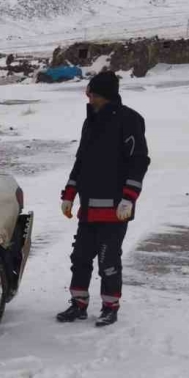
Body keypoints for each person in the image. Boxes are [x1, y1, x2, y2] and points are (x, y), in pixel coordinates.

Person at [57, 71, 150, 327]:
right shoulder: (90, 122)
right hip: (88, 209)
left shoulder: (129, 120)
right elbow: (81, 162)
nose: (88, 98)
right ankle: (78, 304)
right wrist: (69, 195)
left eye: (92, 93)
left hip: (115, 210)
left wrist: (129, 198)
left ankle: (110, 306)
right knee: (80, 258)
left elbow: (139, 161)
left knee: (108, 260)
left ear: (104, 95)